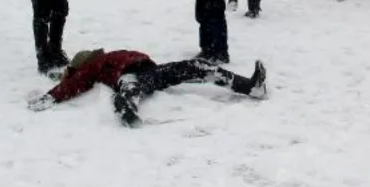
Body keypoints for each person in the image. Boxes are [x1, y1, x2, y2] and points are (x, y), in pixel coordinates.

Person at [26, 48, 268, 128]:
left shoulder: (108, 56)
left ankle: (249, 86)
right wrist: (50, 97)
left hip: (152, 71)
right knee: (130, 85)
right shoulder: (94, 66)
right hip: (131, 75)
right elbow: (74, 84)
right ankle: (127, 107)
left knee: (197, 66)